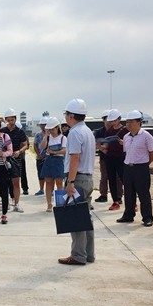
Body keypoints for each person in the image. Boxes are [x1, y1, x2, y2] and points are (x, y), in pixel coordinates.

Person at [58, 98, 96, 265]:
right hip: (88, 177)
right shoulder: (87, 131)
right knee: (86, 218)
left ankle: (78, 255)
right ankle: (89, 254)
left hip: (78, 178)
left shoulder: (74, 132)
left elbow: (75, 158)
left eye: (66, 114)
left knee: (77, 219)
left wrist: (70, 182)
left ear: (71, 115)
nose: (65, 117)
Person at [116, 110, 153, 227]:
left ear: (139, 122)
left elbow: (152, 152)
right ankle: (128, 215)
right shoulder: (126, 137)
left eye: (131, 121)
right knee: (128, 193)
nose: (128, 124)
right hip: (128, 167)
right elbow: (127, 152)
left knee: (143, 194)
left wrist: (145, 163)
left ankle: (147, 217)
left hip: (141, 168)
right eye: (127, 122)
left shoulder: (146, 136)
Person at [1, 108, 28, 212]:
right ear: (5, 120)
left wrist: (19, 151)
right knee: (4, 182)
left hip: (16, 158)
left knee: (16, 182)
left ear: (15, 119)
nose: (10, 122)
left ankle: (16, 203)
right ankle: (6, 203)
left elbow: (26, 145)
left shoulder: (20, 132)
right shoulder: (2, 131)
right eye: (8, 120)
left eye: (12, 120)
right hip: (4, 158)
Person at [101, 109, 127, 211]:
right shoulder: (109, 131)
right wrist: (102, 146)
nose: (113, 123)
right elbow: (107, 144)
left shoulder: (125, 130)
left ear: (119, 119)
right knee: (111, 179)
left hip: (121, 157)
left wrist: (123, 142)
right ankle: (115, 201)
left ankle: (131, 201)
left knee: (124, 179)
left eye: (115, 120)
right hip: (110, 157)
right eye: (111, 121)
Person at [39, 117, 66, 212]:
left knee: (59, 183)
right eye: (49, 129)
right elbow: (42, 146)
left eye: (53, 129)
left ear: (57, 127)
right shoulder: (48, 137)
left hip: (58, 161)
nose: (51, 131)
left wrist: (54, 152)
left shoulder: (63, 138)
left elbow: (64, 150)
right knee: (49, 183)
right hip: (49, 161)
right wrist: (46, 136)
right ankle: (49, 204)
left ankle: (60, 203)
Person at [33, 117, 49, 195]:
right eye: (41, 125)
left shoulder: (51, 134)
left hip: (49, 157)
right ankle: (41, 189)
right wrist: (39, 155)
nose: (43, 126)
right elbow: (35, 145)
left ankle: (50, 190)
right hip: (40, 157)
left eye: (44, 125)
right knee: (40, 173)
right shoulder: (38, 134)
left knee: (49, 174)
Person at [16, 121, 30, 195]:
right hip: (13, 157)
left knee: (23, 174)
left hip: (21, 157)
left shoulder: (23, 135)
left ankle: (25, 188)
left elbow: (27, 146)